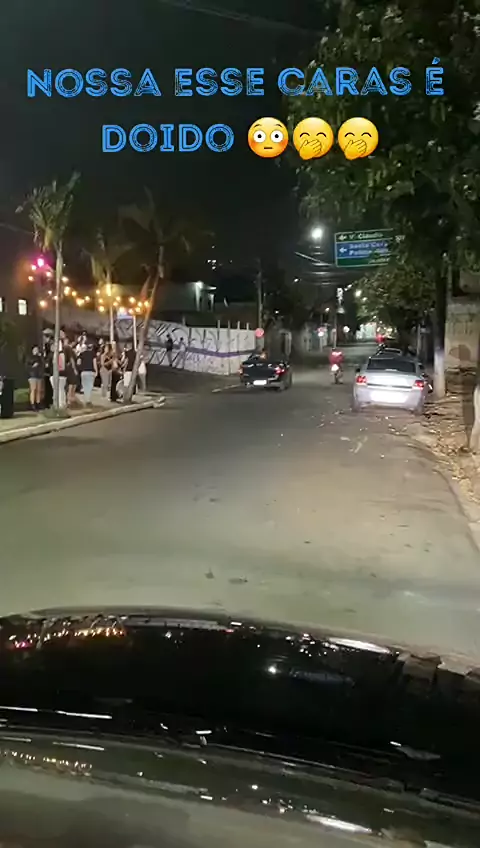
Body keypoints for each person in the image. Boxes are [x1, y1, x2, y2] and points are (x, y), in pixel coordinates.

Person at [78, 340, 98, 406]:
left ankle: (86, 400)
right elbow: (94, 363)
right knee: (89, 387)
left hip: (83, 372)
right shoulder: (93, 354)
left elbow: (78, 362)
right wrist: (96, 371)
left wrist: (81, 367)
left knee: (85, 387)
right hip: (91, 372)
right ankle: (88, 401)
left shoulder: (82, 354)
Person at [27, 345, 44, 410]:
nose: (36, 351)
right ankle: (32, 403)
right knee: (33, 389)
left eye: (37, 349)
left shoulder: (39, 357)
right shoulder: (29, 357)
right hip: (32, 375)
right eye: (35, 349)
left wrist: (41, 356)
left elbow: (43, 363)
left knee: (38, 390)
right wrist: (32, 366)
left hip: (39, 375)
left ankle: (38, 402)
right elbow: (27, 366)